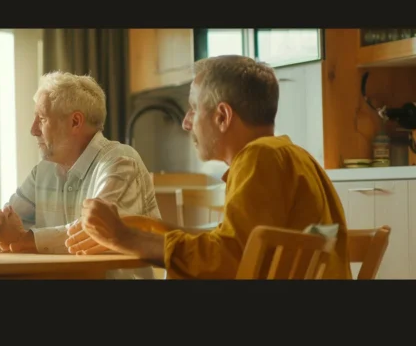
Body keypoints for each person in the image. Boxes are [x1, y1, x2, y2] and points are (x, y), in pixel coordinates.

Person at [66, 55, 352, 280]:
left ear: (223, 116)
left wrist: (124, 236)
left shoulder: (259, 158)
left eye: (193, 107)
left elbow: (227, 259)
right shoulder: (297, 157)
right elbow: (237, 245)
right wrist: (147, 229)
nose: (186, 122)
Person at [0, 71, 161, 279]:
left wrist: (21, 240)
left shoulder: (120, 161)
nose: (33, 130)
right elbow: (4, 225)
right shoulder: (43, 171)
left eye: (42, 118)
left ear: (75, 122)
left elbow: (95, 232)